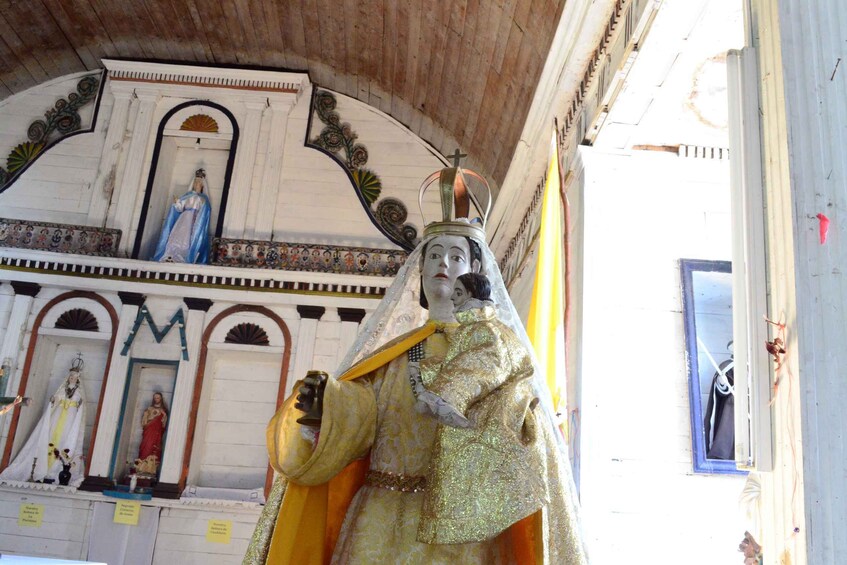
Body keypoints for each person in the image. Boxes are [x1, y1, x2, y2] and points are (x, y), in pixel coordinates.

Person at [245, 167, 586, 564]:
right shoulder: (397, 355)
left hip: (459, 533)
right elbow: (364, 411)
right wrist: (328, 405)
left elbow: (528, 432)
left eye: (456, 256)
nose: (443, 263)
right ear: (418, 273)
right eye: (434, 255)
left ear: (474, 274)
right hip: (379, 520)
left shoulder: (501, 351)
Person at [0, 358, 86, 486]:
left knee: (65, 439)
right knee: (50, 436)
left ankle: (56, 470)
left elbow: (81, 405)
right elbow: (57, 398)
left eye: (75, 376)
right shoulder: (63, 389)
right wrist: (54, 400)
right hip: (58, 415)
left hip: (70, 416)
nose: (72, 378)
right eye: (71, 376)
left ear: (78, 378)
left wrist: (76, 406)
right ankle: (40, 469)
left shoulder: (79, 391)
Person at [153, 168, 212, 264]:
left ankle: (183, 257)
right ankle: (170, 255)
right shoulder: (187, 196)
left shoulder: (202, 199)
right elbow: (180, 208)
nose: (196, 185)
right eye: (195, 182)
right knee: (176, 237)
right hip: (183, 219)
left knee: (187, 240)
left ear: (202, 186)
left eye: (198, 183)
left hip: (193, 222)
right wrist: (177, 202)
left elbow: (205, 211)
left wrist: (203, 205)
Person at [135, 392, 168, 477]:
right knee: (145, 446)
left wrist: (164, 415)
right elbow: (144, 422)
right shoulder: (149, 409)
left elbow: (164, 423)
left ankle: (151, 470)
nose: (156, 399)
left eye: (158, 397)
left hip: (156, 433)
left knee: (154, 448)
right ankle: (141, 468)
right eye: (155, 397)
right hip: (148, 432)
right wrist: (146, 416)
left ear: (161, 399)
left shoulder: (163, 410)